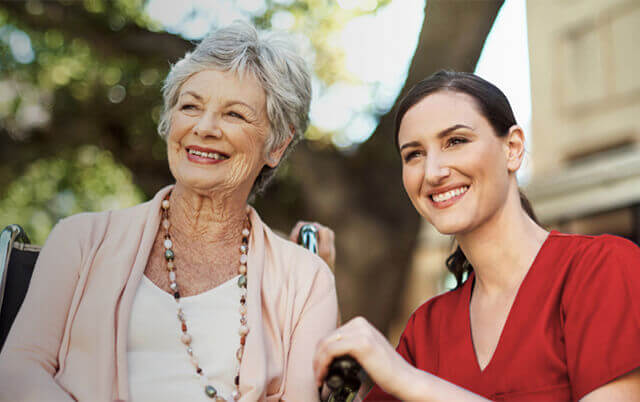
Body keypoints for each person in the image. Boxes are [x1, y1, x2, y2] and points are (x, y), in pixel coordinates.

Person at [0, 22, 338, 402]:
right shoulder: (79, 240)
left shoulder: (307, 281)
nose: (204, 127)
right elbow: (20, 368)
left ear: (277, 145)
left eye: (234, 115)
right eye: (190, 106)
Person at [312, 70, 640, 401]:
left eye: (455, 141)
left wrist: (411, 381)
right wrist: (318, 302)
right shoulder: (427, 330)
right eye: (414, 154)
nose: (433, 172)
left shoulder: (602, 269)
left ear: (512, 148)